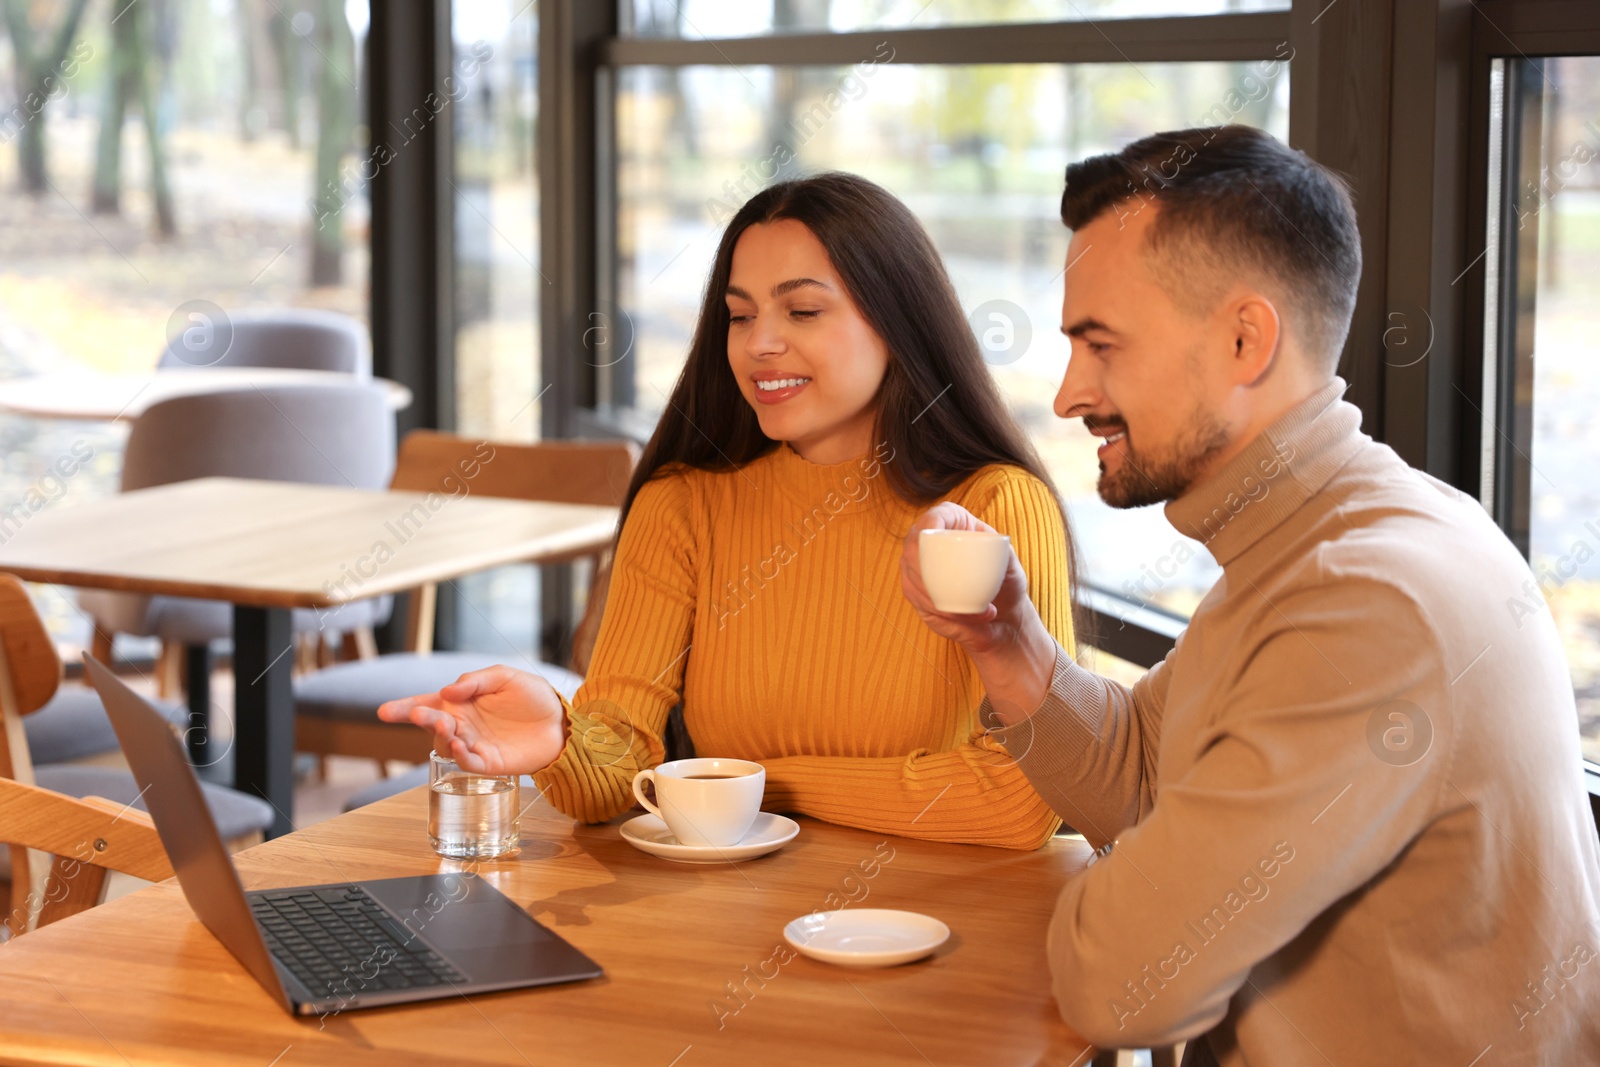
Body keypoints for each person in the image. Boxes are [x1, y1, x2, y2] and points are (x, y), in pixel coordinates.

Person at [901, 125, 1600, 1062]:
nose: (1068, 393)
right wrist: (1005, 638)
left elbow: (1122, 979)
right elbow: (1147, 777)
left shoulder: (1367, 603)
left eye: (1099, 343)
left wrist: (1124, 904)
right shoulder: (1322, 535)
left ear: (1243, 338)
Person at [380, 172, 1075, 849]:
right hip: (732, 920)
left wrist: (746, 787)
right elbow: (617, 775)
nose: (758, 342)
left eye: (801, 310)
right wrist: (561, 741)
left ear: (899, 322)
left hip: (937, 930)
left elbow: (1023, 801)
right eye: (740, 315)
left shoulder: (996, 505)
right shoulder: (683, 505)